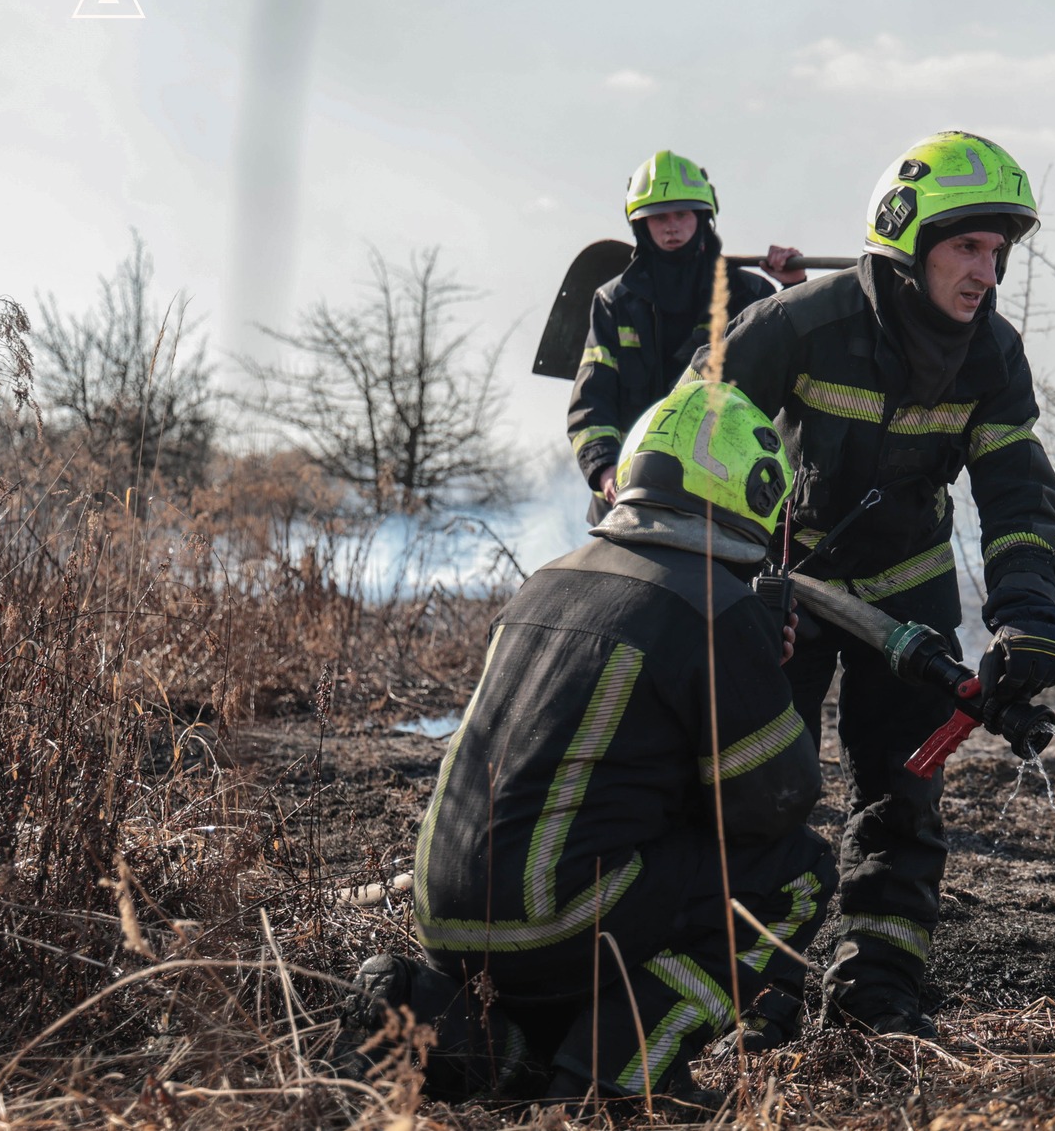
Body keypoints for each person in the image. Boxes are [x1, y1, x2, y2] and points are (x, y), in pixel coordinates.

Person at [347, 382, 833, 1111]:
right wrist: (763, 665)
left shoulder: (547, 579)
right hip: (559, 915)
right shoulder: (716, 604)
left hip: (446, 914)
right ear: (755, 491)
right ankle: (615, 1078)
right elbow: (779, 802)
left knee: (599, 904)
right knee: (800, 871)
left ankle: (454, 1028)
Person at [696, 129, 1055, 1037]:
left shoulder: (994, 355)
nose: (987, 272)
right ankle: (757, 990)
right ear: (905, 240)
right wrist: (720, 589)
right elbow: (691, 448)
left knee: (901, 796)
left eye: (998, 252)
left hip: (909, 589)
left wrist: (1026, 611)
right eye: (966, 247)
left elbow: (1017, 488)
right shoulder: (796, 325)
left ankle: (879, 993)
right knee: (758, 793)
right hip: (780, 586)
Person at [567, 149, 806, 523]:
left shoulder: (749, 295)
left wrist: (792, 289)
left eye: (682, 214)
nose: (671, 226)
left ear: (703, 217)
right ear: (640, 225)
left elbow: (794, 374)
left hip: (726, 490)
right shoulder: (614, 302)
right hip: (629, 489)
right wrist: (604, 471)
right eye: (658, 217)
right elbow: (591, 402)